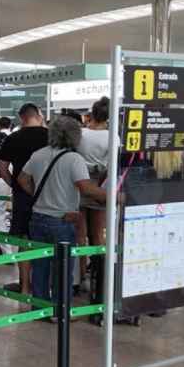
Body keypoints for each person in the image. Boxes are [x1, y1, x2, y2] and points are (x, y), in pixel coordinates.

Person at [18, 116, 105, 302]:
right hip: (62, 220)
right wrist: (112, 196)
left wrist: (38, 195)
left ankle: (40, 306)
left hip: (38, 218)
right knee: (62, 269)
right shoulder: (74, 159)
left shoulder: (38, 154)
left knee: (40, 266)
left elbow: (22, 179)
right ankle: (60, 310)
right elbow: (86, 188)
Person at [0, 103, 48, 293]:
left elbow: (2, 168)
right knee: (45, 241)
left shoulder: (13, 138)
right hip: (46, 195)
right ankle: (43, 288)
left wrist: (15, 185)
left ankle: (24, 286)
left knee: (24, 242)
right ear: (39, 114)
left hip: (22, 196)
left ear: (21, 117)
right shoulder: (50, 137)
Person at [77, 97, 111, 288]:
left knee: (79, 236)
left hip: (79, 185)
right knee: (98, 236)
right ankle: (99, 279)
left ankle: (79, 277)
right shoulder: (113, 137)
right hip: (100, 187)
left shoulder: (81, 135)